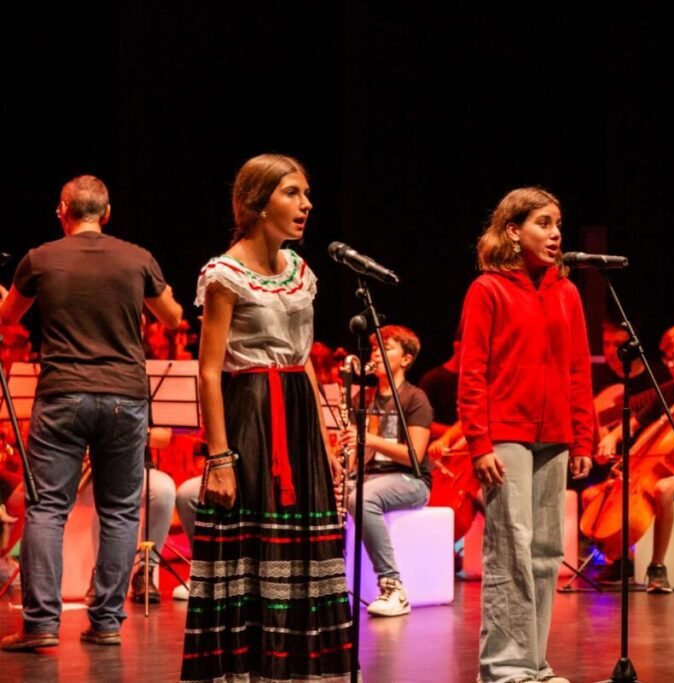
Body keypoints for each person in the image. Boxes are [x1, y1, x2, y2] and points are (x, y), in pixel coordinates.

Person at [180, 154, 355, 681]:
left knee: (305, 541)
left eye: (305, 193)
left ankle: (300, 667)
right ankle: (246, 667)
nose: (306, 204)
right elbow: (209, 372)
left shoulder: (302, 272)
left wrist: (323, 438)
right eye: (292, 193)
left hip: (298, 419)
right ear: (258, 204)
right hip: (251, 416)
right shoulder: (225, 274)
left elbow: (300, 362)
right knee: (250, 543)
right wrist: (220, 457)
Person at [0, 175, 183, 651]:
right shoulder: (137, 257)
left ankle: (40, 625)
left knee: (47, 509)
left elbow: (8, 317)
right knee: (121, 512)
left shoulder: (40, 258)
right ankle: (106, 622)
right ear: (107, 213)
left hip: (62, 395)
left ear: (63, 210)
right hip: (125, 396)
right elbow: (172, 317)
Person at [458, 186, 594, 683]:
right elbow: (473, 372)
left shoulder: (568, 292)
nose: (555, 233)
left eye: (558, 223)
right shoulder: (488, 290)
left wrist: (583, 437)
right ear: (513, 231)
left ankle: (534, 663)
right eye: (543, 223)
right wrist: (479, 442)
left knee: (545, 554)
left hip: (555, 434)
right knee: (510, 549)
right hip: (505, 434)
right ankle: (504, 666)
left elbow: (578, 369)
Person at [594, 321, 674, 592]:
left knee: (664, 487)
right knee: (606, 491)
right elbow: (636, 423)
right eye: (667, 358)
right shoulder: (670, 391)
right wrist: (612, 438)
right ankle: (623, 560)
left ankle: (657, 566)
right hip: (670, 471)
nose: (671, 365)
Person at [338, 324, 432, 617]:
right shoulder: (361, 401)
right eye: (375, 348)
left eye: (386, 348)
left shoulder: (415, 399)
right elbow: (358, 459)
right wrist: (347, 460)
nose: (377, 354)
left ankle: (393, 587)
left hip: (410, 480)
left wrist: (369, 438)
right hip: (372, 477)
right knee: (336, 494)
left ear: (405, 359)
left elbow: (414, 456)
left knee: (362, 498)